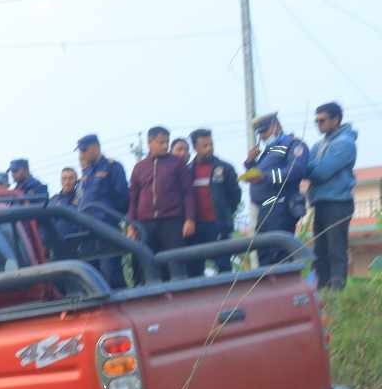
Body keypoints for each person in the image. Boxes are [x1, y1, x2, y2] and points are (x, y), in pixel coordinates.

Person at [242, 112, 310, 266]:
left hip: (281, 205)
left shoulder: (293, 144)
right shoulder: (270, 151)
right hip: (265, 209)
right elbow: (262, 174)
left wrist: (266, 177)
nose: (262, 137)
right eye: (259, 133)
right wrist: (250, 163)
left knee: (279, 254)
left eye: (264, 131)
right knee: (264, 253)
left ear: (275, 126)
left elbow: (296, 170)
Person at [307, 102, 358, 290]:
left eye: (322, 120)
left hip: (338, 203)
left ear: (336, 120)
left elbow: (321, 172)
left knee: (335, 250)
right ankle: (322, 294)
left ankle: (337, 294)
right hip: (320, 203)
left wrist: (307, 167)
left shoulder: (345, 143)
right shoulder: (320, 144)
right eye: (316, 120)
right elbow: (307, 165)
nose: (318, 124)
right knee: (320, 253)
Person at [128, 126, 196, 265]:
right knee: (147, 263)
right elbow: (133, 199)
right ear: (150, 142)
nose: (165, 146)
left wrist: (190, 219)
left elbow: (188, 193)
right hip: (145, 224)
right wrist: (131, 225)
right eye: (161, 142)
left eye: (167, 142)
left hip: (172, 222)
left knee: (175, 263)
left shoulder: (177, 164)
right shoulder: (139, 167)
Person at [76, 133, 132, 287]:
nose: (82, 154)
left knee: (110, 272)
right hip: (87, 230)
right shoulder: (86, 172)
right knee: (91, 275)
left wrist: (111, 217)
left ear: (95, 148)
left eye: (84, 150)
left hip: (106, 228)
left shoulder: (113, 167)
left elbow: (122, 197)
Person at [186, 129, 242, 274]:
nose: (209, 148)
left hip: (218, 226)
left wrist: (225, 214)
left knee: (224, 266)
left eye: (211, 144)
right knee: (194, 270)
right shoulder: (187, 171)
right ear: (195, 148)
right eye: (205, 145)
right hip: (196, 228)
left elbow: (235, 195)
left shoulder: (225, 168)